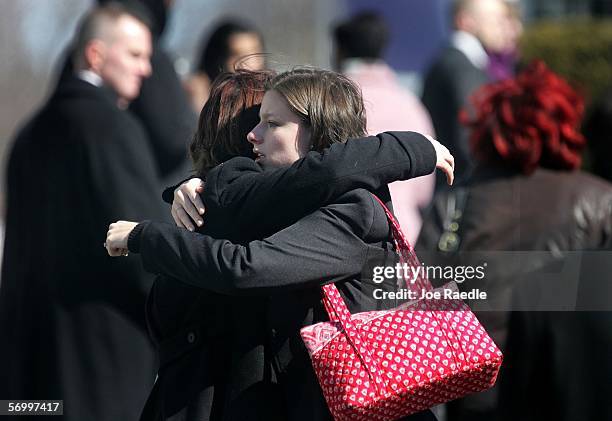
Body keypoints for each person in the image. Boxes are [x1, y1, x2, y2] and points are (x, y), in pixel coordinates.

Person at [106, 68, 454, 420]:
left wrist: (146, 236)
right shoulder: (273, 206)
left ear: (317, 133)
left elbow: (246, 268)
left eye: (272, 123)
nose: (253, 135)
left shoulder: (353, 211)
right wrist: (199, 185)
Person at [417, 61, 612, 420]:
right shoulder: (599, 200)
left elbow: (417, 293)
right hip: (570, 385)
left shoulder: (455, 200)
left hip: (474, 389)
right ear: (565, 125)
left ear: (487, 130)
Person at [0, 4, 167, 420]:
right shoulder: (112, 129)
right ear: (95, 55)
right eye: (134, 55)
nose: (146, 69)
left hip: (29, 373)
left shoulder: (29, 134)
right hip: (102, 367)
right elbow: (143, 248)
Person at [332, 11, 436, 243]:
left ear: (339, 50)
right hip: (406, 235)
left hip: (345, 234)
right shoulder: (409, 102)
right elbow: (424, 184)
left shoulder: (330, 103)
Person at [422, 0, 507, 187]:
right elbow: (469, 138)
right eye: (495, 19)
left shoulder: (449, 61)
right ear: (465, 21)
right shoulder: (462, 67)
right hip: (461, 190)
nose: (505, 26)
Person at [184, 20, 265, 113]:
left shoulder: (270, 98)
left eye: (255, 55)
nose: (248, 64)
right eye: (237, 55)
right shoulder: (196, 94)